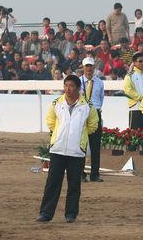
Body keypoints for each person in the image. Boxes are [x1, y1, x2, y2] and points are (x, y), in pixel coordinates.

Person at [37, 75, 99, 223]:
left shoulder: (88, 106)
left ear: (78, 88)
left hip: (76, 151)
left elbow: (93, 125)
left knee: (74, 184)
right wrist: (60, 136)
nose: (68, 89)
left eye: (71, 86)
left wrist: (79, 137)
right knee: (52, 183)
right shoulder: (56, 103)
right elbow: (50, 122)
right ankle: (46, 213)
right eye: (66, 86)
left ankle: (71, 214)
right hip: (58, 150)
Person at [80, 57, 105, 182]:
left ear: (94, 67)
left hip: (95, 114)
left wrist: (96, 110)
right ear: (83, 67)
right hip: (81, 115)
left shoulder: (100, 82)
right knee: (81, 145)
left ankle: (95, 174)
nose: (89, 68)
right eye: (87, 66)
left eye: (90, 66)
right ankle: (81, 173)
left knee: (95, 146)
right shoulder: (78, 82)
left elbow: (101, 99)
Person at [123, 52, 143, 129]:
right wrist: (142, 98)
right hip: (136, 108)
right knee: (134, 135)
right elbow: (128, 91)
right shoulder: (130, 76)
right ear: (134, 63)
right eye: (140, 61)